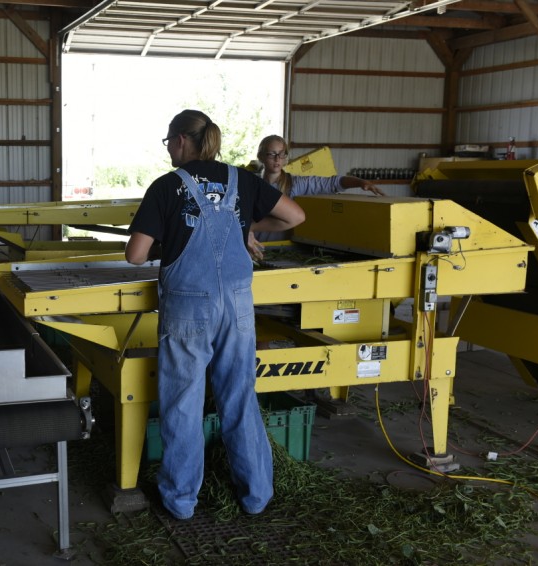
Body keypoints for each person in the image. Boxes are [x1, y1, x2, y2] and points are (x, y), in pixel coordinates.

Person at [125, 110, 305, 520]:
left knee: (184, 403)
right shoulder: (241, 180)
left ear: (182, 141)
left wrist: (164, 240)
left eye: (169, 141)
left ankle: (181, 501)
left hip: (190, 306)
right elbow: (295, 216)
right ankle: (257, 494)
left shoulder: (167, 187)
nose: (168, 148)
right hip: (238, 306)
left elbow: (135, 255)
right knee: (240, 397)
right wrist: (244, 225)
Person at [255, 134, 384, 242]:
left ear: (285, 158)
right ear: (261, 156)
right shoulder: (252, 184)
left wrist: (360, 182)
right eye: (271, 154)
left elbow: (331, 183)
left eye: (281, 154)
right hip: (254, 248)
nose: (277, 158)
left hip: (282, 248)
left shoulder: (296, 184)